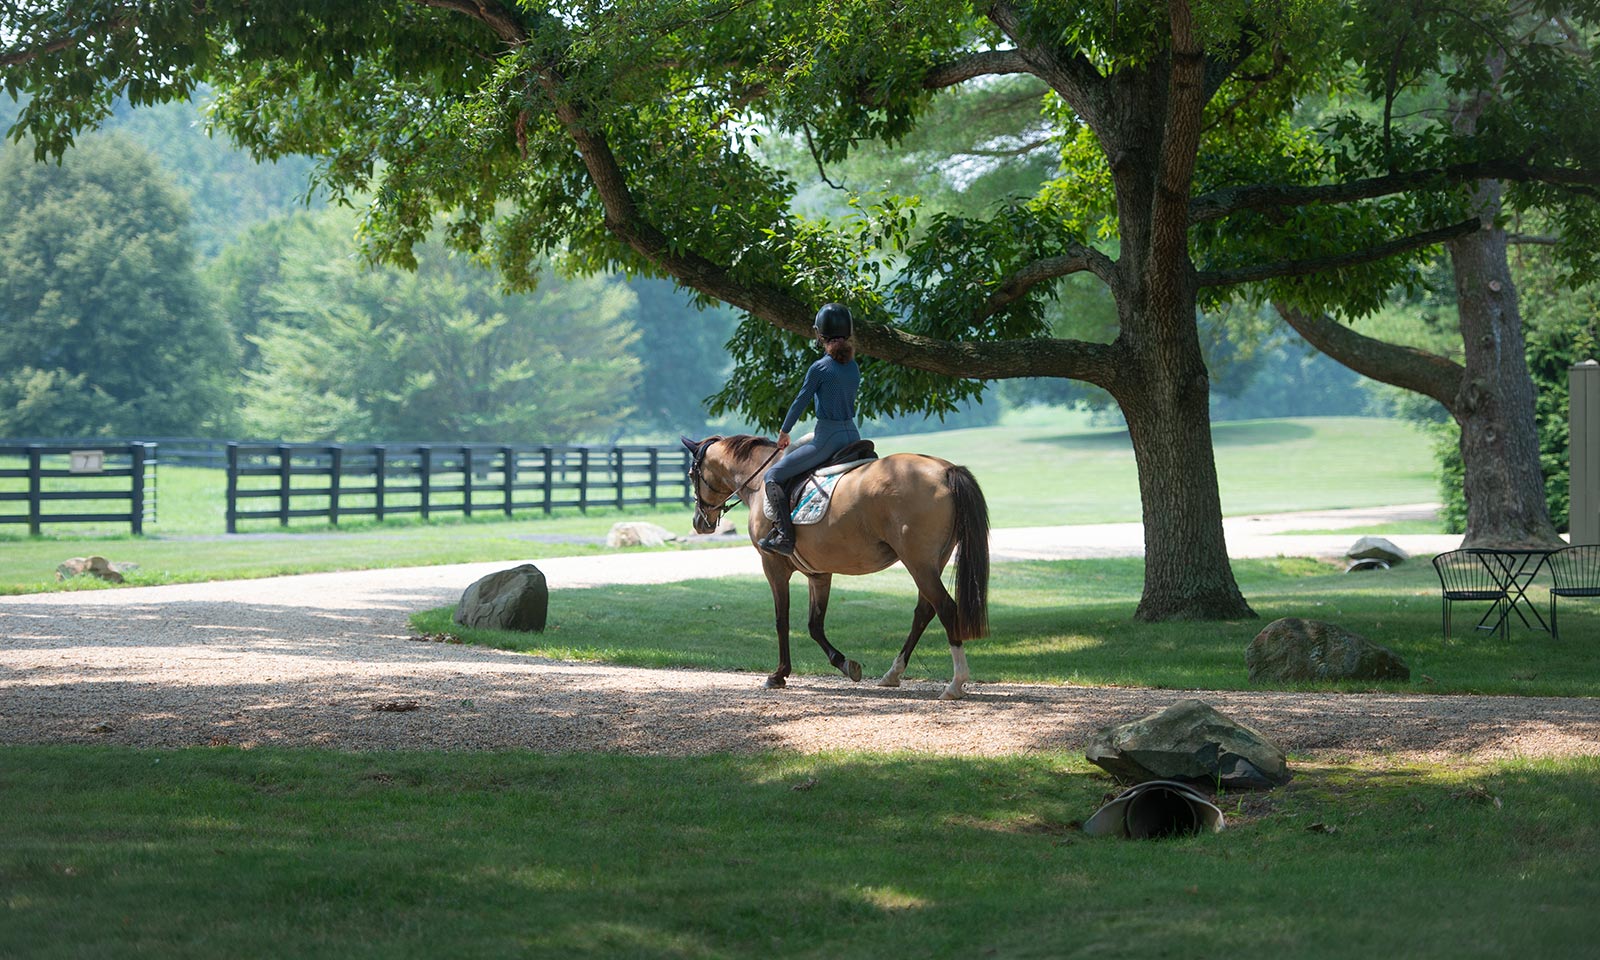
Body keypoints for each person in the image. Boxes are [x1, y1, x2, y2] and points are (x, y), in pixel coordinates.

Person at [758, 303, 861, 556]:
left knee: (772, 476)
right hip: (853, 436)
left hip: (827, 439)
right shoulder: (853, 366)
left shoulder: (820, 368)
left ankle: (784, 536)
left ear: (820, 334)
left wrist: (784, 432)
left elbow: (800, 402)